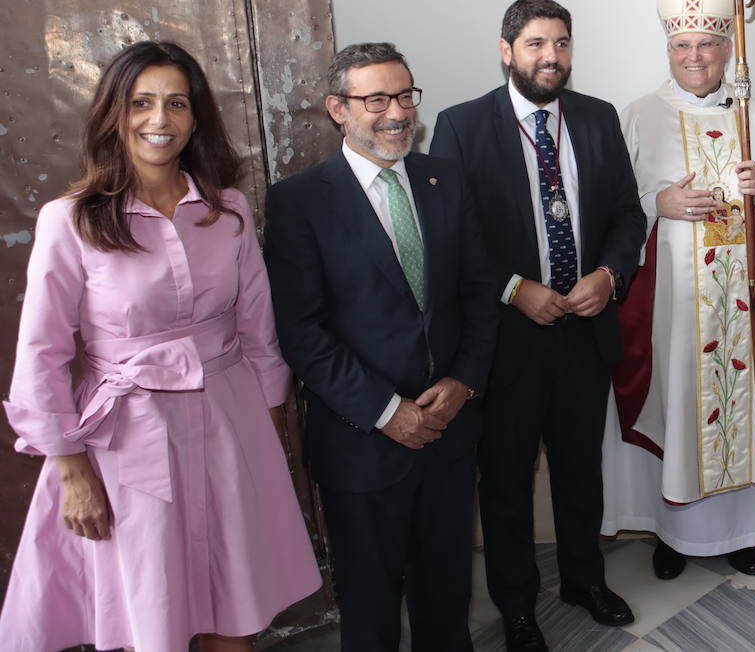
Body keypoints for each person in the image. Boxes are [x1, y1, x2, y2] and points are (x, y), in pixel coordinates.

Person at [1, 41, 321, 651]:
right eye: (142, 103)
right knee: (153, 614)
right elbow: (39, 354)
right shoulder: (69, 221)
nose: (160, 119)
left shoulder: (228, 212)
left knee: (236, 612)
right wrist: (71, 470)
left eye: (176, 103)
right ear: (113, 115)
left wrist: (269, 426)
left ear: (195, 116)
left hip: (231, 426)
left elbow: (259, 328)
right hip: (126, 441)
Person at [264, 43, 497, 650]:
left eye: (404, 95)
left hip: (448, 433)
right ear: (338, 108)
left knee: (447, 598)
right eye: (376, 100)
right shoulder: (299, 201)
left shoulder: (445, 178)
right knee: (370, 611)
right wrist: (388, 411)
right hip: (361, 443)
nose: (397, 113)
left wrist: (466, 381)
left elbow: (478, 292)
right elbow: (303, 333)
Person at [430, 0, 646, 652]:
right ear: (507, 50)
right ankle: (518, 606)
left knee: (582, 467)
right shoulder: (461, 126)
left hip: (584, 330)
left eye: (560, 44)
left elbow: (626, 218)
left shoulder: (599, 118)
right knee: (506, 479)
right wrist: (513, 288)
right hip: (505, 340)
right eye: (535, 44)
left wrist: (608, 277)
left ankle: (584, 578)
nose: (550, 57)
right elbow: (453, 235)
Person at [602, 0, 755, 581]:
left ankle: (741, 531)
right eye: (682, 44)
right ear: (668, 46)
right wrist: (655, 203)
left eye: (707, 45)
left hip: (742, 306)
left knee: (744, 402)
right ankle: (672, 532)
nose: (693, 57)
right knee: (680, 402)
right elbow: (607, 212)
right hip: (671, 311)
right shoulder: (635, 117)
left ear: (727, 45)